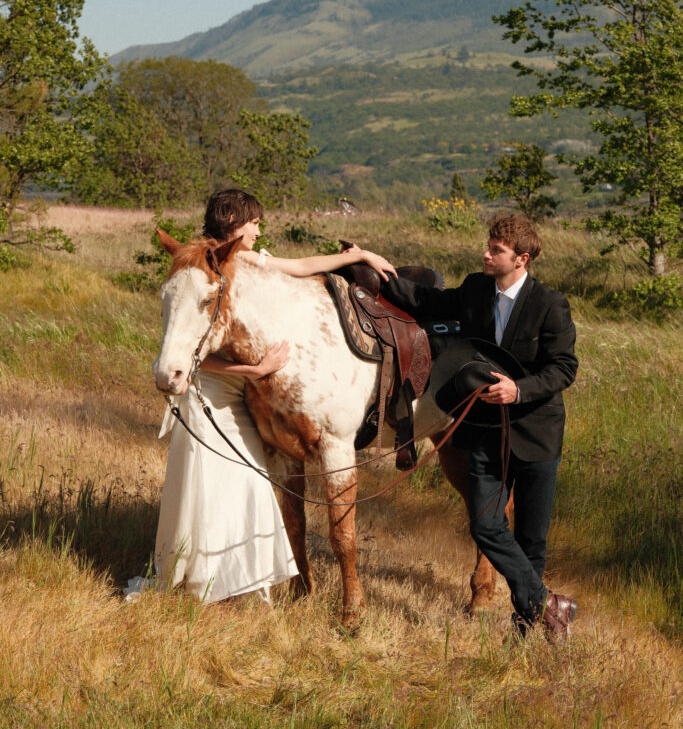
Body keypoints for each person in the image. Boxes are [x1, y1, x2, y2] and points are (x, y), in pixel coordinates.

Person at [154, 188, 396, 605]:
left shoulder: (234, 261)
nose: (259, 229)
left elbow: (300, 267)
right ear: (234, 225)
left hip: (242, 390)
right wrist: (255, 371)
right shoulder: (211, 265)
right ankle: (219, 578)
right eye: (254, 222)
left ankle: (236, 575)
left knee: (238, 485)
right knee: (225, 483)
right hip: (223, 387)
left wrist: (357, 257)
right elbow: (192, 342)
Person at [379, 212, 579, 641]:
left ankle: (526, 630)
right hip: (484, 430)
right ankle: (550, 604)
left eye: (496, 251)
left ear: (521, 259)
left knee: (531, 538)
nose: (485, 254)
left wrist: (519, 389)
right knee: (485, 524)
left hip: (536, 433)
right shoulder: (474, 289)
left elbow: (564, 368)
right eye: (487, 246)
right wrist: (374, 268)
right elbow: (424, 300)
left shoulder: (550, 305)